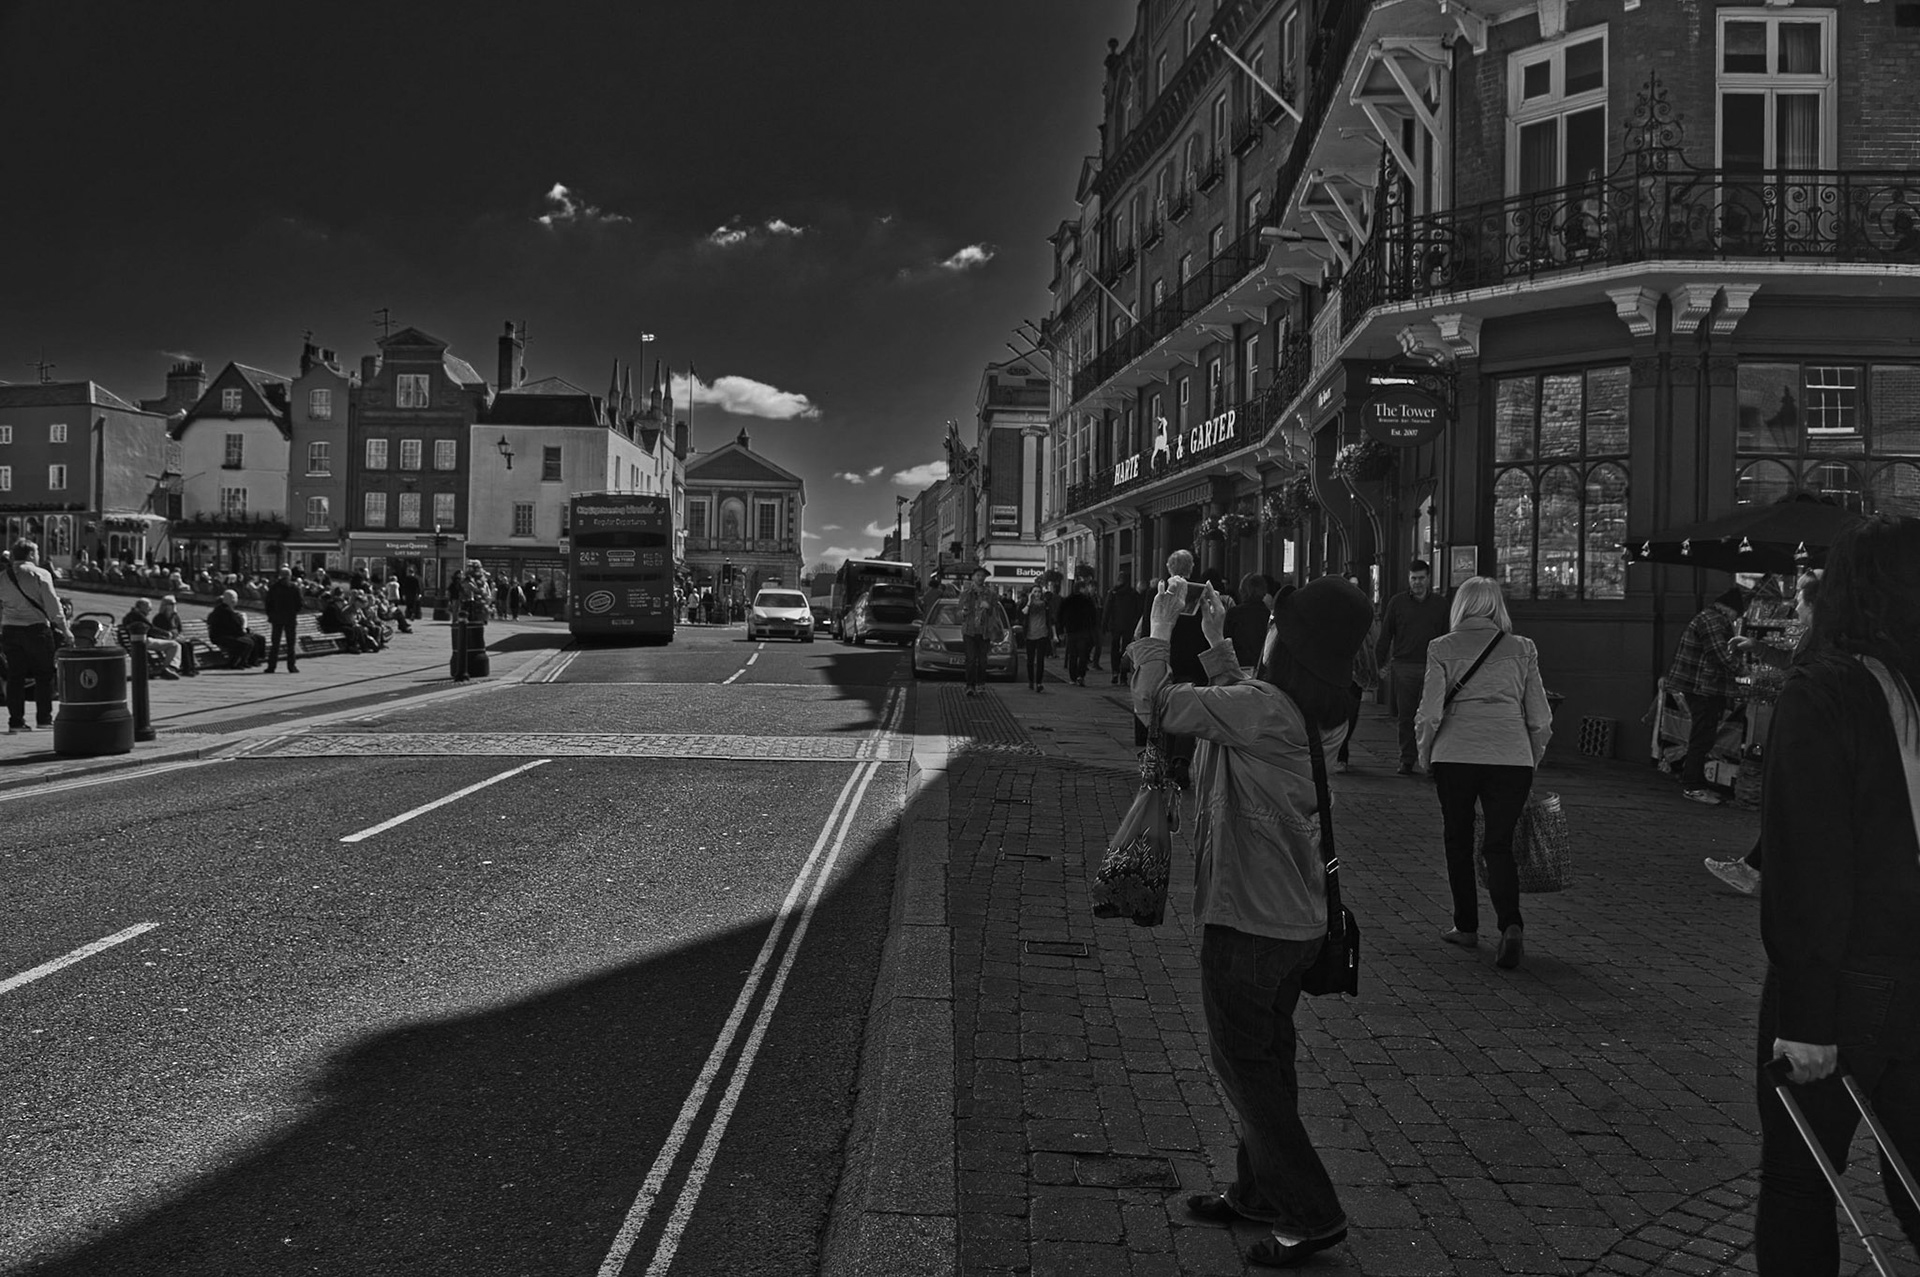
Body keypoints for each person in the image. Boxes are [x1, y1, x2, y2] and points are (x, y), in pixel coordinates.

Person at [1129, 573, 1373, 1269]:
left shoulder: (1266, 709)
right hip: (1296, 918)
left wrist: (1159, 630)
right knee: (1269, 1058)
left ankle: (1312, 1212)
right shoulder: (1321, 711)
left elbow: (1158, 704)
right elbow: (1245, 706)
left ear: (1288, 646)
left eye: (1273, 626)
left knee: (1244, 1069)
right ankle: (1258, 1192)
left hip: (1249, 920)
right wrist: (1215, 646)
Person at [1753, 514, 1920, 1274]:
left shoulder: (1826, 690)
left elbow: (1808, 865)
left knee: (1801, 1177)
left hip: (1852, 971)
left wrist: (1805, 1016)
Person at [1414, 577, 1554, 970]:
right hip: (1510, 754)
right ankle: (1511, 924)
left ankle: (1466, 925)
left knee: (1457, 838)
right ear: (1497, 606)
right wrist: (1531, 756)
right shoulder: (1523, 648)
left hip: (1456, 753)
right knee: (1499, 844)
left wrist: (1426, 755)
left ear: (1460, 606)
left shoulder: (1442, 647)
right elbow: (1540, 718)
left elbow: (1429, 713)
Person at [1706, 572, 1823, 895]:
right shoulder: (1812, 636)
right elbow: (1789, 662)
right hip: (1807, 726)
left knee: (1794, 804)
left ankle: (1756, 871)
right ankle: (1755, 870)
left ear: (1814, 605)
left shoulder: (1824, 639)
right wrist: (1757, 646)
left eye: (1800, 600)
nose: (1795, 606)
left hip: (1812, 729)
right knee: (1794, 805)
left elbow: (1801, 671)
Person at [1665, 585, 1749, 805]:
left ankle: (1696, 781)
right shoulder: (1713, 620)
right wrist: (1745, 670)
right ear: (1729, 609)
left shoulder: (1710, 618)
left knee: (1703, 735)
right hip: (1702, 687)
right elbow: (1719, 654)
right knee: (1702, 736)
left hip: (1702, 686)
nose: (1736, 619)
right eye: (1737, 614)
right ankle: (1693, 786)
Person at [1375, 559, 1451, 776]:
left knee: (1432, 716)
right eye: (1413, 578)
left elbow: (1447, 636)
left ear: (1428, 579)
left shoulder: (1440, 604)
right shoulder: (1397, 603)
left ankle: (1430, 760)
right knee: (1406, 716)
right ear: (1408, 579)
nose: (1417, 582)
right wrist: (1379, 664)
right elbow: (1386, 634)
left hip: (1433, 666)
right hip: (1405, 665)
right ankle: (1407, 759)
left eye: (1421, 578)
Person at [0, 539, 73, 732]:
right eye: (37, 552)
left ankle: (16, 722)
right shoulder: (40, 574)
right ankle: (44, 719)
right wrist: (65, 630)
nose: (39, 556)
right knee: (44, 674)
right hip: (36, 629)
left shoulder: (3, 577)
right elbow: (53, 605)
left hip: (10, 629)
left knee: (15, 676)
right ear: (31, 554)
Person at [1337, 573, 1381, 774]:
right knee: (1339, 712)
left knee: (1352, 712)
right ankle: (1340, 753)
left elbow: (1372, 640)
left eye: (1356, 585)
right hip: (1338, 668)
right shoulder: (1334, 610)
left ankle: (1342, 749)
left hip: (1358, 670)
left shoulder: (1365, 611)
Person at [957, 566, 999, 697]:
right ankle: (970, 685)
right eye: (978, 575)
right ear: (973, 577)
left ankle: (981, 683)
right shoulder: (966, 593)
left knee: (982, 660)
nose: (980, 578)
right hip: (969, 631)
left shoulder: (991, 594)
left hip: (984, 631)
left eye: (982, 576)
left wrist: (989, 607)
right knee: (970, 659)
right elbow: (958, 613)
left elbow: (995, 613)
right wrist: (962, 613)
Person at [120, 599, 182, 678]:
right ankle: (170, 668)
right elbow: (150, 628)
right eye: (148, 607)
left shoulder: (132, 615)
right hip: (143, 641)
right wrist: (166, 634)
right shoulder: (137, 615)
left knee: (174, 644)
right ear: (142, 606)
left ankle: (167, 669)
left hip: (137, 641)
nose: (150, 609)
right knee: (175, 645)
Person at [1224, 572, 1274, 671]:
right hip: (1261, 668)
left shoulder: (1234, 614)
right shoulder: (1268, 615)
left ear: (1242, 590)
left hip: (1238, 666)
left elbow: (1226, 642)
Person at [206, 589, 266, 667]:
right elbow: (236, 627)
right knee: (249, 641)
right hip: (222, 637)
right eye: (234, 598)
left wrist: (243, 628)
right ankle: (240, 662)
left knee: (258, 638)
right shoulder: (226, 611)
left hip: (229, 634)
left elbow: (235, 626)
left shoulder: (226, 610)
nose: (236, 600)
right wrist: (243, 623)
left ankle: (252, 660)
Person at [1103, 573, 1143, 685]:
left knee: (1114, 648)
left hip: (1115, 625)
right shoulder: (1133, 593)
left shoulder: (1113, 593)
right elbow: (1138, 610)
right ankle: (1124, 676)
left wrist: (1104, 625)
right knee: (1126, 650)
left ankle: (1115, 672)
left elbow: (1107, 610)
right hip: (1129, 626)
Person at [1058, 577, 1099, 686]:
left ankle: (1073, 677)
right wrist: (1092, 629)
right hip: (1084, 631)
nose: (1086, 590)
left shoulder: (1067, 600)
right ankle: (1081, 675)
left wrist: (1061, 630)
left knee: (1073, 655)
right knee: (1083, 655)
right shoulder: (1087, 601)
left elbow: (1060, 616)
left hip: (1071, 631)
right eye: (1085, 588)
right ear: (1081, 589)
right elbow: (1093, 617)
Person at [263, 566, 303, 674]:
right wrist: (294, 612)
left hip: (277, 618)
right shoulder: (294, 587)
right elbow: (299, 603)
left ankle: (271, 666)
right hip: (290, 618)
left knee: (275, 643)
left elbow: (268, 603)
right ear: (289, 576)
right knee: (291, 643)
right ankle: (291, 666)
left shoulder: (274, 588)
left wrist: (271, 615)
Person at [1021, 581, 1058, 691]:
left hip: (1042, 634)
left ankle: (1039, 682)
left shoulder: (1045, 604)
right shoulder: (1028, 604)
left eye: (1039, 592)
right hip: (1030, 635)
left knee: (1040, 660)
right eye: (1035, 592)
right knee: (1030, 660)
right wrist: (1029, 601)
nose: (1037, 594)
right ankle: (1031, 680)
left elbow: (1051, 620)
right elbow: (1024, 612)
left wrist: (1054, 635)